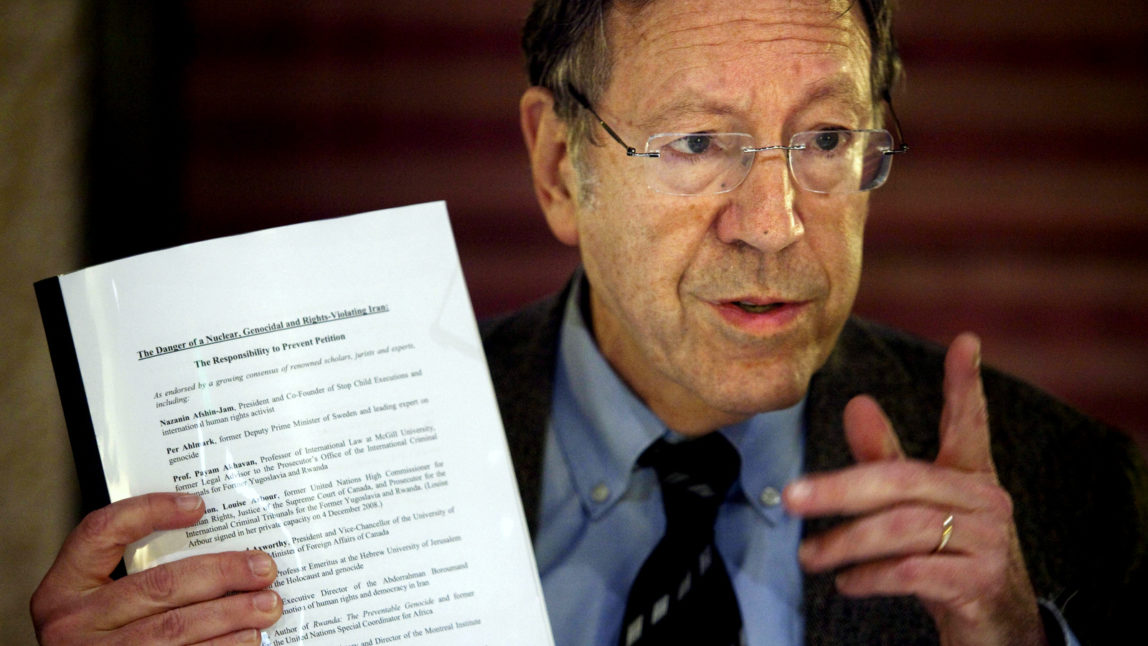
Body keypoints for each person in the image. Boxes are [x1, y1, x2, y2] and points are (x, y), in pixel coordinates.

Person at [31, 0, 1147, 644]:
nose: (773, 224)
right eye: (695, 142)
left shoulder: (1081, 497)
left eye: (822, 140)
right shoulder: (291, 492)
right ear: (559, 168)